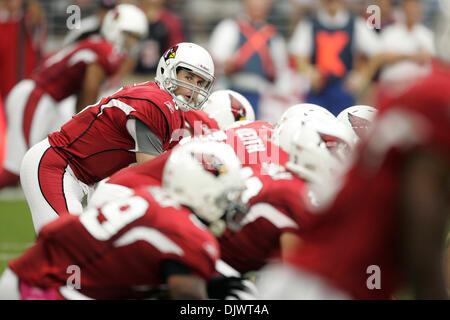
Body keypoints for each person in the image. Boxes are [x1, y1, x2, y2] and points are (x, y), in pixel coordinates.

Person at [257, 4, 450, 297]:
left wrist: (360, 76)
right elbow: (422, 221)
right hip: (325, 284)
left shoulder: (420, 92)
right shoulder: (435, 99)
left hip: (314, 277)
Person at [0, 140, 249, 300]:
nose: (229, 205)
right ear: (202, 189)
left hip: (33, 273)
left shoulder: (153, 199)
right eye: (225, 196)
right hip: (43, 287)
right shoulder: (187, 233)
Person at [19, 41, 215, 234]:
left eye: (200, 82)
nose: (194, 89)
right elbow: (148, 172)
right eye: (189, 78)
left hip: (87, 177)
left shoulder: (174, 112)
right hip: (58, 166)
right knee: (70, 246)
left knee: (95, 252)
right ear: (169, 70)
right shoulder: (155, 102)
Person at [0, 4, 148, 190]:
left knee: (53, 157)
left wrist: (80, 120)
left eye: (136, 38)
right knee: (17, 169)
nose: (131, 42)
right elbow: (90, 86)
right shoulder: (106, 50)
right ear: (115, 27)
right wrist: (87, 124)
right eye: (129, 34)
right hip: (36, 95)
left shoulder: (99, 45)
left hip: (47, 99)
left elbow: (83, 89)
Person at [289, 0, 381, 115]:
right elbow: (298, 54)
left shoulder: (355, 23)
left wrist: (362, 76)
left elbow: (377, 53)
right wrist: (309, 72)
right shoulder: (309, 23)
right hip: (317, 92)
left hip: (343, 91)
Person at [208, 0, 289, 119]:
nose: (258, 5)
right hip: (232, 90)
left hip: (261, 96)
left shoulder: (274, 37)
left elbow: (281, 72)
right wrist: (227, 65)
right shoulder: (230, 28)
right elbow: (215, 60)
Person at [134, 0, 187, 76]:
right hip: (132, 74)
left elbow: (177, 51)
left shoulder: (171, 21)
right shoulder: (133, 16)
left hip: (161, 76)